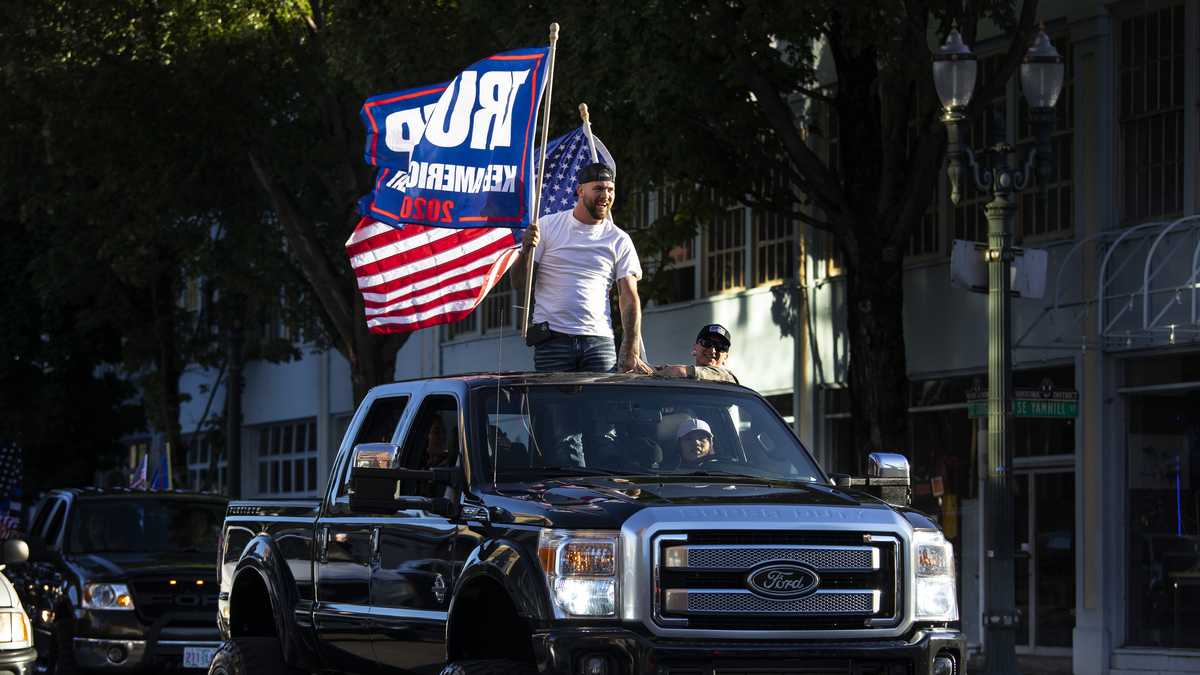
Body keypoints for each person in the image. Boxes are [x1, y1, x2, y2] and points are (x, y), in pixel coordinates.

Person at [511, 162, 652, 374]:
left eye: (610, 189)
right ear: (580, 190)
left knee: (601, 406)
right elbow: (519, 283)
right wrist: (525, 251)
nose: (606, 195)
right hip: (552, 340)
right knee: (554, 407)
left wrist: (630, 347)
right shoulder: (547, 226)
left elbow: (629, 297)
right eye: (598, 189)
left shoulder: (619, 239)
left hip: (599, 341)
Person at [655, 324, 739, 384]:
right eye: (706, 342)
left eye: (720, 346)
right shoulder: (686, 380)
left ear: (726, 357)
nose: (713, 350)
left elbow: (679, 371)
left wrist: (654, 374)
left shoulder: (727, 378)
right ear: (695, 347)